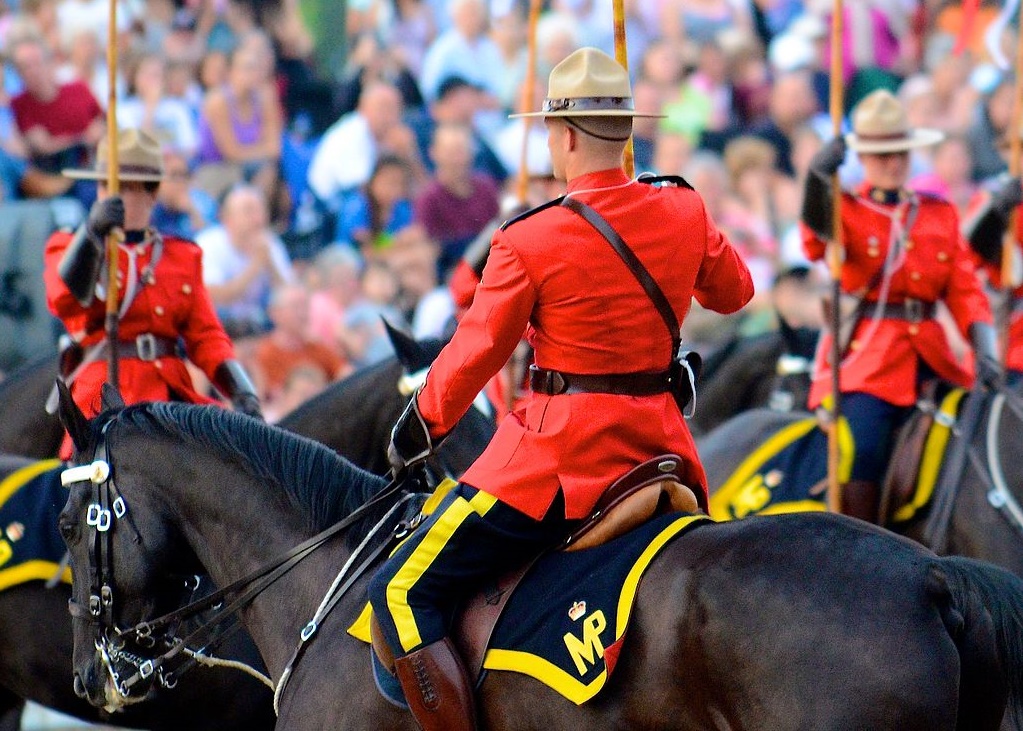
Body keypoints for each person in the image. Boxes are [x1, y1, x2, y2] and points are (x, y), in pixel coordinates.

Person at [368, 47, 753, 731]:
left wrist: (421, 421)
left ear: (566, 136)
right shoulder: (682, 208)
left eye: (550, 131)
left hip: (559, 465)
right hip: (659, 452)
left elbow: (474, 354)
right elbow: (735, 292)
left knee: (396, 590)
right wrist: (658, 213)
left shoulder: (529, 239)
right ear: (626, 134)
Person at [799, 89, 999, 523]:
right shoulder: (847, 209)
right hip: (871, 363)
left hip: (933, 357)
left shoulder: (937, 214)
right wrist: (817, 179)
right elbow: (815, 243)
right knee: (864, 446)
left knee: (979, 428)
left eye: (900, 153)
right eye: (880, 154)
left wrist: (985, 348)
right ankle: (860, 544)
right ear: (864, 159)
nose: (892, 163)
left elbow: (965, 289)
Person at [43, 129, 262, 459]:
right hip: (99, 394)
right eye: (106, 185)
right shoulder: (68, 245)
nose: (110, 195)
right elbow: (63, 299)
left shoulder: (180, 256)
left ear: (151, 193)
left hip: (167, 395)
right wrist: (91, 235)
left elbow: (206, 337)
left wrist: (241, 390)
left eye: (125, 187)